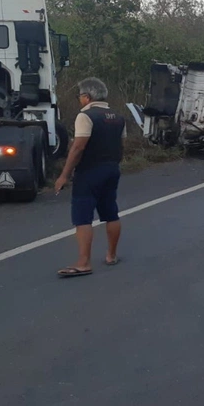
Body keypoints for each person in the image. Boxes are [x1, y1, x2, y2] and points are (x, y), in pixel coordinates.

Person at [55, 77, 127, 277]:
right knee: (111, 212)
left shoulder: (86, 116)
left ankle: (83, 262)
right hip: (112, 169)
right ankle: (111, 255)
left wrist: (64, 175)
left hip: (89, 171)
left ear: (87, 97)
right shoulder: (118, 116)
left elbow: (78, 147)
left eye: (80, 96)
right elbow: (122, 145)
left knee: (82, 216)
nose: (80, 100)